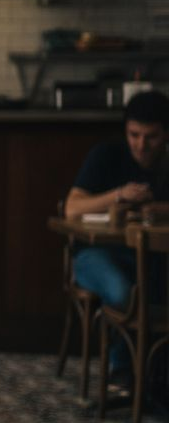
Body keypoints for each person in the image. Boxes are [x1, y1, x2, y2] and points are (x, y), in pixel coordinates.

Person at [64, 89, 169, 385]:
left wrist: (154, 208)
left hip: (151, 255)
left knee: (151, 285)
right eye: (134, 135)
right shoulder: (107, 155)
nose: (142, 145)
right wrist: (119, 195)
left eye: (151, 137)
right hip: (94, 253)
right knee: (124, 293)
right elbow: (73, 209)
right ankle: (122, 365)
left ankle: (150, 372)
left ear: (166, 135)